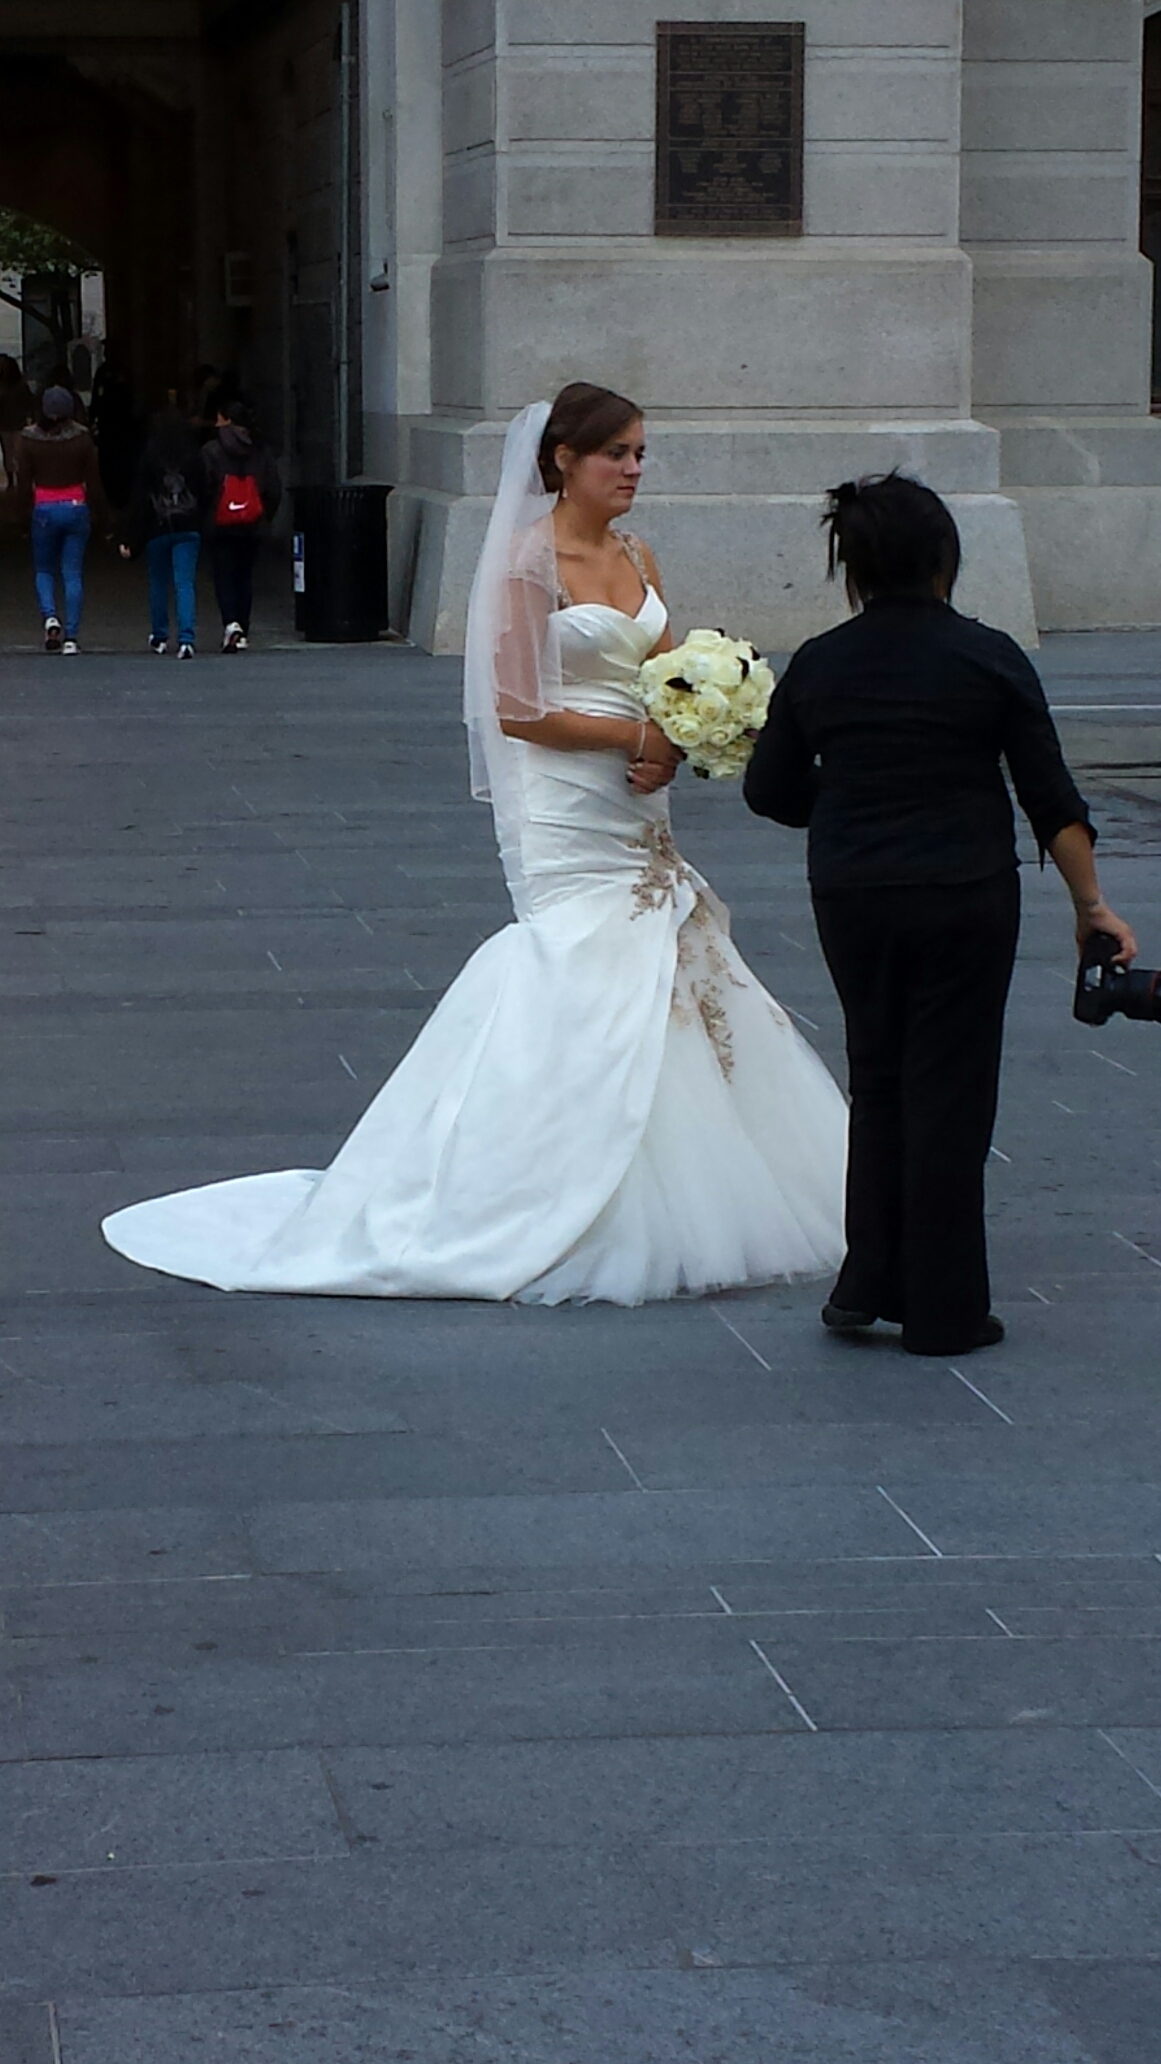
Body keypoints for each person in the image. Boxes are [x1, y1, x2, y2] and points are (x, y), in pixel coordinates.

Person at [101, 382, 848, 1302]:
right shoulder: (527, 562)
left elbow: (664, 674)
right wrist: (635, 737)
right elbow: (517, 708)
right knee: (577, 955)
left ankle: (693, 1174)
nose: (633, 469)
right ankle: (525, 1182)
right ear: (563, 460)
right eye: (616, 453)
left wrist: (690, 728)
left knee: (664, 953)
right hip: (563, 798)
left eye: (640, 453)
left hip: (637, 796)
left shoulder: (638, 553)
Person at [744, 472, 1137, 1358]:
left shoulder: (819, 660)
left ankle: (865, 1279)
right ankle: (943, 1309)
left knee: (877, 1075)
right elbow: (1051, 800)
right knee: (948, 1092)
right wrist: (1091, 908)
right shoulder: (986, 655)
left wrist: (845, 803)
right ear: (943, 560)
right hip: (963, 890)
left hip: (852, 891)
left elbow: (768, 789)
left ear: (853, 566)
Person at [15, 384, 108, 654]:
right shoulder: (82, 438)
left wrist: (22, 518)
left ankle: (50, 616)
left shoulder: (29, 439)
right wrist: (104, 518)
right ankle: (72, 636)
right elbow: (94, 482)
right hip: (76, 506)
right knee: (72, 573)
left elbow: (23, 485)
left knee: (44, 570)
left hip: (44, 508)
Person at [118, 406, 206, 658]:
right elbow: (204, 491)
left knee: (158, 583)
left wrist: (130, 535)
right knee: (184, 582)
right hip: (188, 526)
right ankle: (187, 638)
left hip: (157, 527)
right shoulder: (194, 455)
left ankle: (160, 636)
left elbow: (138, 499)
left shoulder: (149, 456)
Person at [201, 400, 282, 652]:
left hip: (221, 524)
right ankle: (243, 628)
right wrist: (263, 515)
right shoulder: (260, 449)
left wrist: (209, 514)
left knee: (223, 575)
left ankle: (230, 622)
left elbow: (203, 488)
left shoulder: (211, 450)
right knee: (244, 577)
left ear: (226, 420)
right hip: (252, 523)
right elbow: (274, 489)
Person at [89, 343, 138, 507]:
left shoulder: (123, 372)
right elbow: (96, 398)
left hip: (121, 427)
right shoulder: (102, 372)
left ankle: (121, 494)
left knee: (120, 463)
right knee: (106, 463)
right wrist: (92, 419)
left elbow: (129, 400)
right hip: (106, 426)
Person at [0, 354, 34, 491]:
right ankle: (13, 481)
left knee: (16, 454)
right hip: (8, 424)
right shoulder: (19, 385)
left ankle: (17, 481)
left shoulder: (18, 386)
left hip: (15, 424)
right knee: (11, 454)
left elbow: (29, 404)